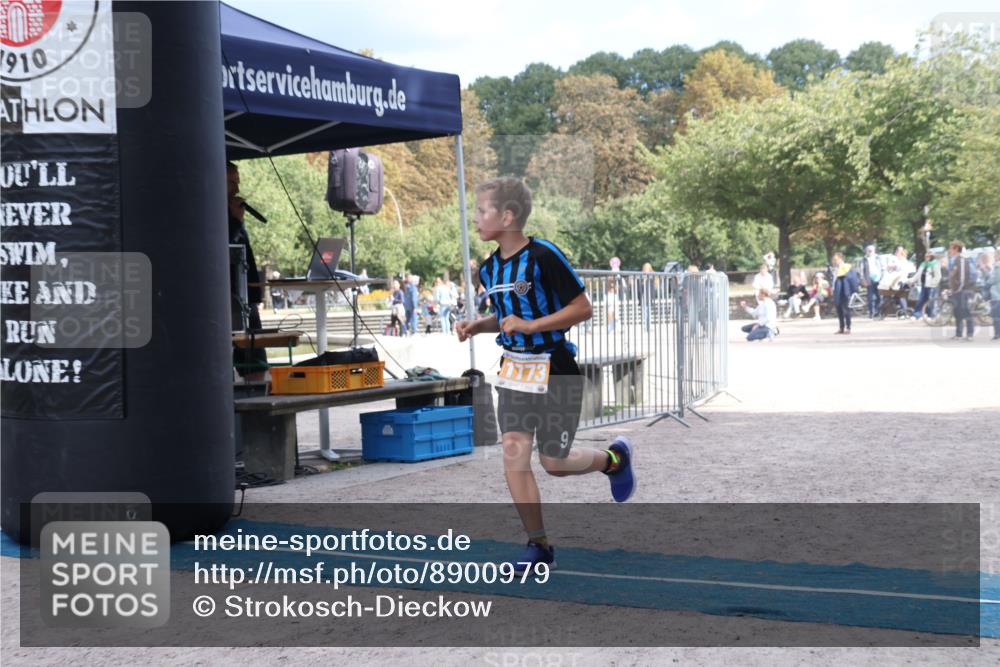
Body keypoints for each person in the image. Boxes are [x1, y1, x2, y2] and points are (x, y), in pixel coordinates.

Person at [455, 177, 636, 573]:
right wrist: (478, 325)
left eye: (482, 211)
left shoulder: (544, 255)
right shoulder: (488, 269)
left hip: (555, 368)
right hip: (514, 371)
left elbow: (582, 308)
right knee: (514, 452)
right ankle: (538, 545)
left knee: (554, 462)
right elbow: (507, 317)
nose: (476, 219)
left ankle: (614, 459)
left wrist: (532, 326)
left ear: (507, 216)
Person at [227, 162, 268, 381]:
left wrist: (255, 293)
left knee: (255, 360)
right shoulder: (212, 213)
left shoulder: (234, 215)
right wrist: (235, 220)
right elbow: (223, 248)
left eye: (238, 182)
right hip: (229, 296)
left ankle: (257, 391)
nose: (237, 188)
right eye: (232, 182)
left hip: (245, 295)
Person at [947, 241, 975, 340]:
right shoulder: (954, 260)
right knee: (957, 312)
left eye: (951, 248)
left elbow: (962, 278)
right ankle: (958, 334)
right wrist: (951, 289)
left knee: (965, 311)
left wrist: (958, 289)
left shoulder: (961, 260)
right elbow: (953, 277)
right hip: (956, 291)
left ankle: (970, 334)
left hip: (962, 290)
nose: (949, 250)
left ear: (956, 249)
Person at [831, 252, 859, 334]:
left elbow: (853, 280)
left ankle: (848, 327)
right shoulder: (836, 269)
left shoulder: (847, 267)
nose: (834, 261)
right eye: (834, 260)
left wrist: (854, 291)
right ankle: (841, 327)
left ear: (841, 259)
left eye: (836, 259)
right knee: (839, 310)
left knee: (846, 310)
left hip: (845, 291)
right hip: (837, 291)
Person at [911, 251, 942, 321]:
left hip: (932, 286)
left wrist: (933, 284)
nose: (926, 257)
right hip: (924, 285)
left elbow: (938, 276)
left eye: (927, 256)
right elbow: (917, 274)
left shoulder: (935, 264)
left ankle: (932, 315)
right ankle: (917, 315)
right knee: (921, 300)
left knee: (931, 301)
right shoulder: (923, 264)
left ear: (931, 257)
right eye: (925, 256)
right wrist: (910, 281)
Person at [861, 245, 882, 318]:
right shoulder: (864, 259)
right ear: (866, 251)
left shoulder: (878, 258)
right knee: (870, 298)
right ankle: (871, 312)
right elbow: (861, 270)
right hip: (869, 279)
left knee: (879, 297)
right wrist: (863, 280)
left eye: (871, 250)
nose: (870, 252)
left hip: (879, 279)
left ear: (874, 251)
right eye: (868, 250)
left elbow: (882, 268)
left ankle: (877, 311)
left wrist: (882, 278)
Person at [987, 250, 1000, 340]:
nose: (994, 257)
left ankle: (997, 334)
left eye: (995, 256)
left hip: (997, 294)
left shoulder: (997, 266)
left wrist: (987, 282)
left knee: (996, 315)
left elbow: (993, 279)